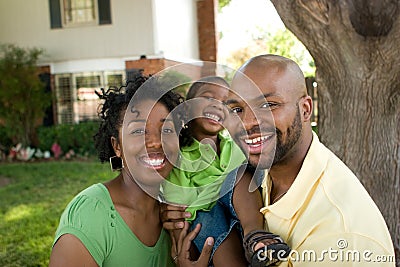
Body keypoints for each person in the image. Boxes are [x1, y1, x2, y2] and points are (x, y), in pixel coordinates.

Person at [163, 54, 396, 266]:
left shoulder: (338, 234)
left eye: (268, 105)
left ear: (305, 110)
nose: (247, 123)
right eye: (237, 110)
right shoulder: (265, 171)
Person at [49, 75, 213, 267]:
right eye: (138, 131)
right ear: (117, 146)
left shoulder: (176, 216)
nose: (156, 142)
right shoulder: (91, 215)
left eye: (167, 130)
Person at [163, 76, 290, 267]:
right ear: (188, 108)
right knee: (205, 219)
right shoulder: (180, 154)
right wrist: (180, 250)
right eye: (209, 98)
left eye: (226, 104)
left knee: (240, 176)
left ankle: (256, 239)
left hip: (243, 215)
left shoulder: (236, 147)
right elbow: (180, 211)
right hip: (206, 220)